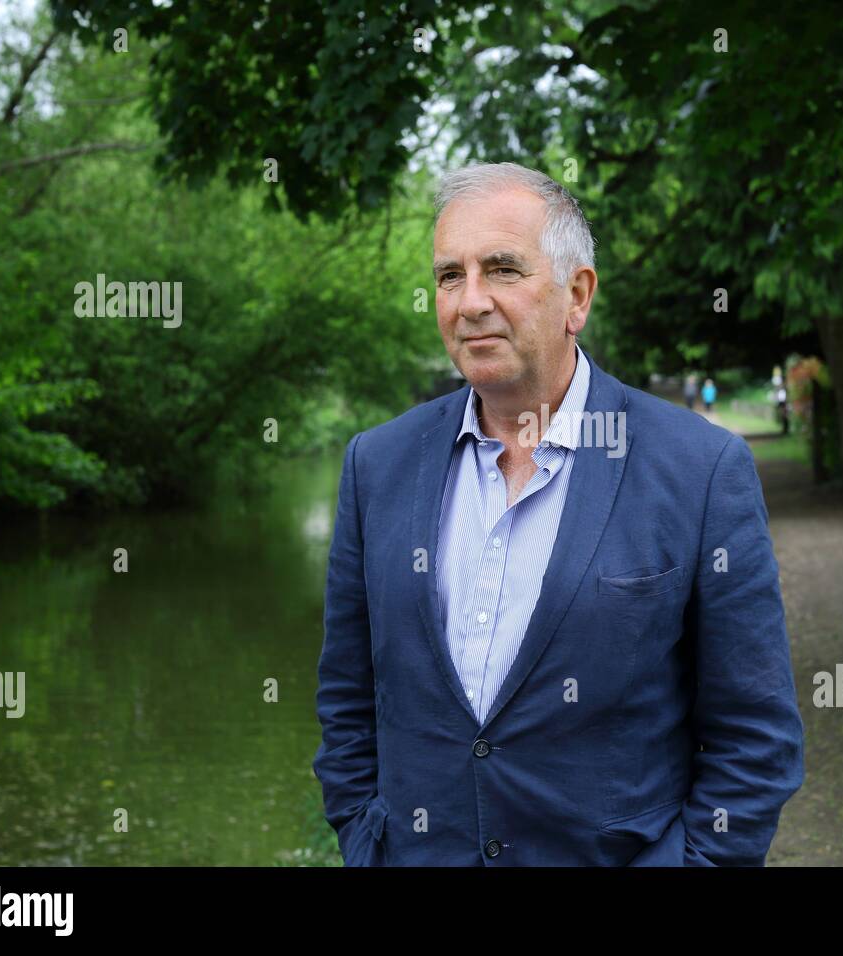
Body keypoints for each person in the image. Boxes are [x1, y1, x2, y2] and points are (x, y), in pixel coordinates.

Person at [313, 161, 803, 867]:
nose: (470, 300)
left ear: (577, 295)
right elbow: (347, 701)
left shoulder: (699, 470)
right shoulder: (377, 465)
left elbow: (755, 738)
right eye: (451, 275)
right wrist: (365, 840)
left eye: (503, 269)